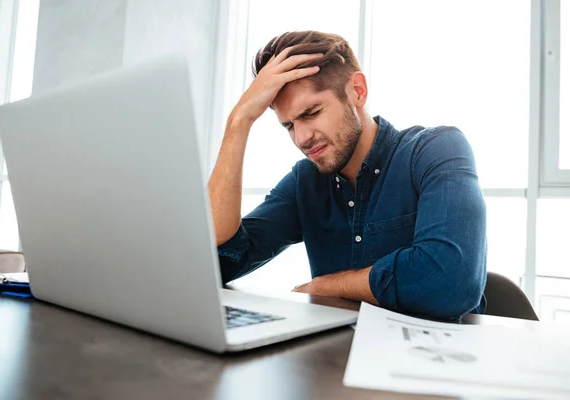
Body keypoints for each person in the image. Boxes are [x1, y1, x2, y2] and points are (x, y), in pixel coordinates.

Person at [207, 31, 487, 320]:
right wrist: (238, 122)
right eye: (288, 126)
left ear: (358, 91)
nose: (302, 138)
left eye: (312, 112)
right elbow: (215, 264)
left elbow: (451, 281)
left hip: (438, 358)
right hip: (336, 357)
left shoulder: (435, 150)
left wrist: (327, 286)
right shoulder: (305, 182)